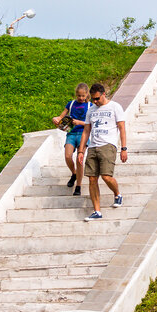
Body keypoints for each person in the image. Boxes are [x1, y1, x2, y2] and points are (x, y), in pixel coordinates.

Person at [79, 82, 128, 221]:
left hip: (108, 145)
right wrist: (81, 151)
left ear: (103, 94)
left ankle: (117, 194)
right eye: (93, 99)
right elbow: (86, 131)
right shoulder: (91, 110)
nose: (95, 101)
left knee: (106, 176)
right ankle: (97, 211)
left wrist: (124, 148)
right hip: (93, 146)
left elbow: (122, 128)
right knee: (92, 178)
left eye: (97, 98)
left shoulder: (115, 107)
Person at [51, 83, 90, 195]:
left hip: (83, 133)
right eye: (79, 96)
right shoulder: (71, 104)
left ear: (87, 94)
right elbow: (61, 116)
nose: (81, 98)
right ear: (76, 94)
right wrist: (57, 119)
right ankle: (74, 173)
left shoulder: (90, 106)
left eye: (83, 96)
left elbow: (91, 123)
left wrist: (79, 122)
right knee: (68, 156)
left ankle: (78, 185)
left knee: (79, 159)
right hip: (71, 133)